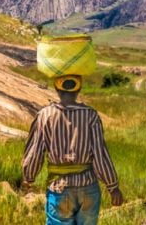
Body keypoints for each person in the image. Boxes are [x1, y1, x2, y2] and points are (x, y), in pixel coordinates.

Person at [22, 74, 124, 224]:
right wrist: (113, 186)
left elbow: (35, 151)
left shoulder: (45, 115)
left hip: (59, 188)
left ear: (56, 88)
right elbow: (100, 154)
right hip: (88, 187)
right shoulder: (91, 115)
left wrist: (28, 177)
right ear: (79, 89)